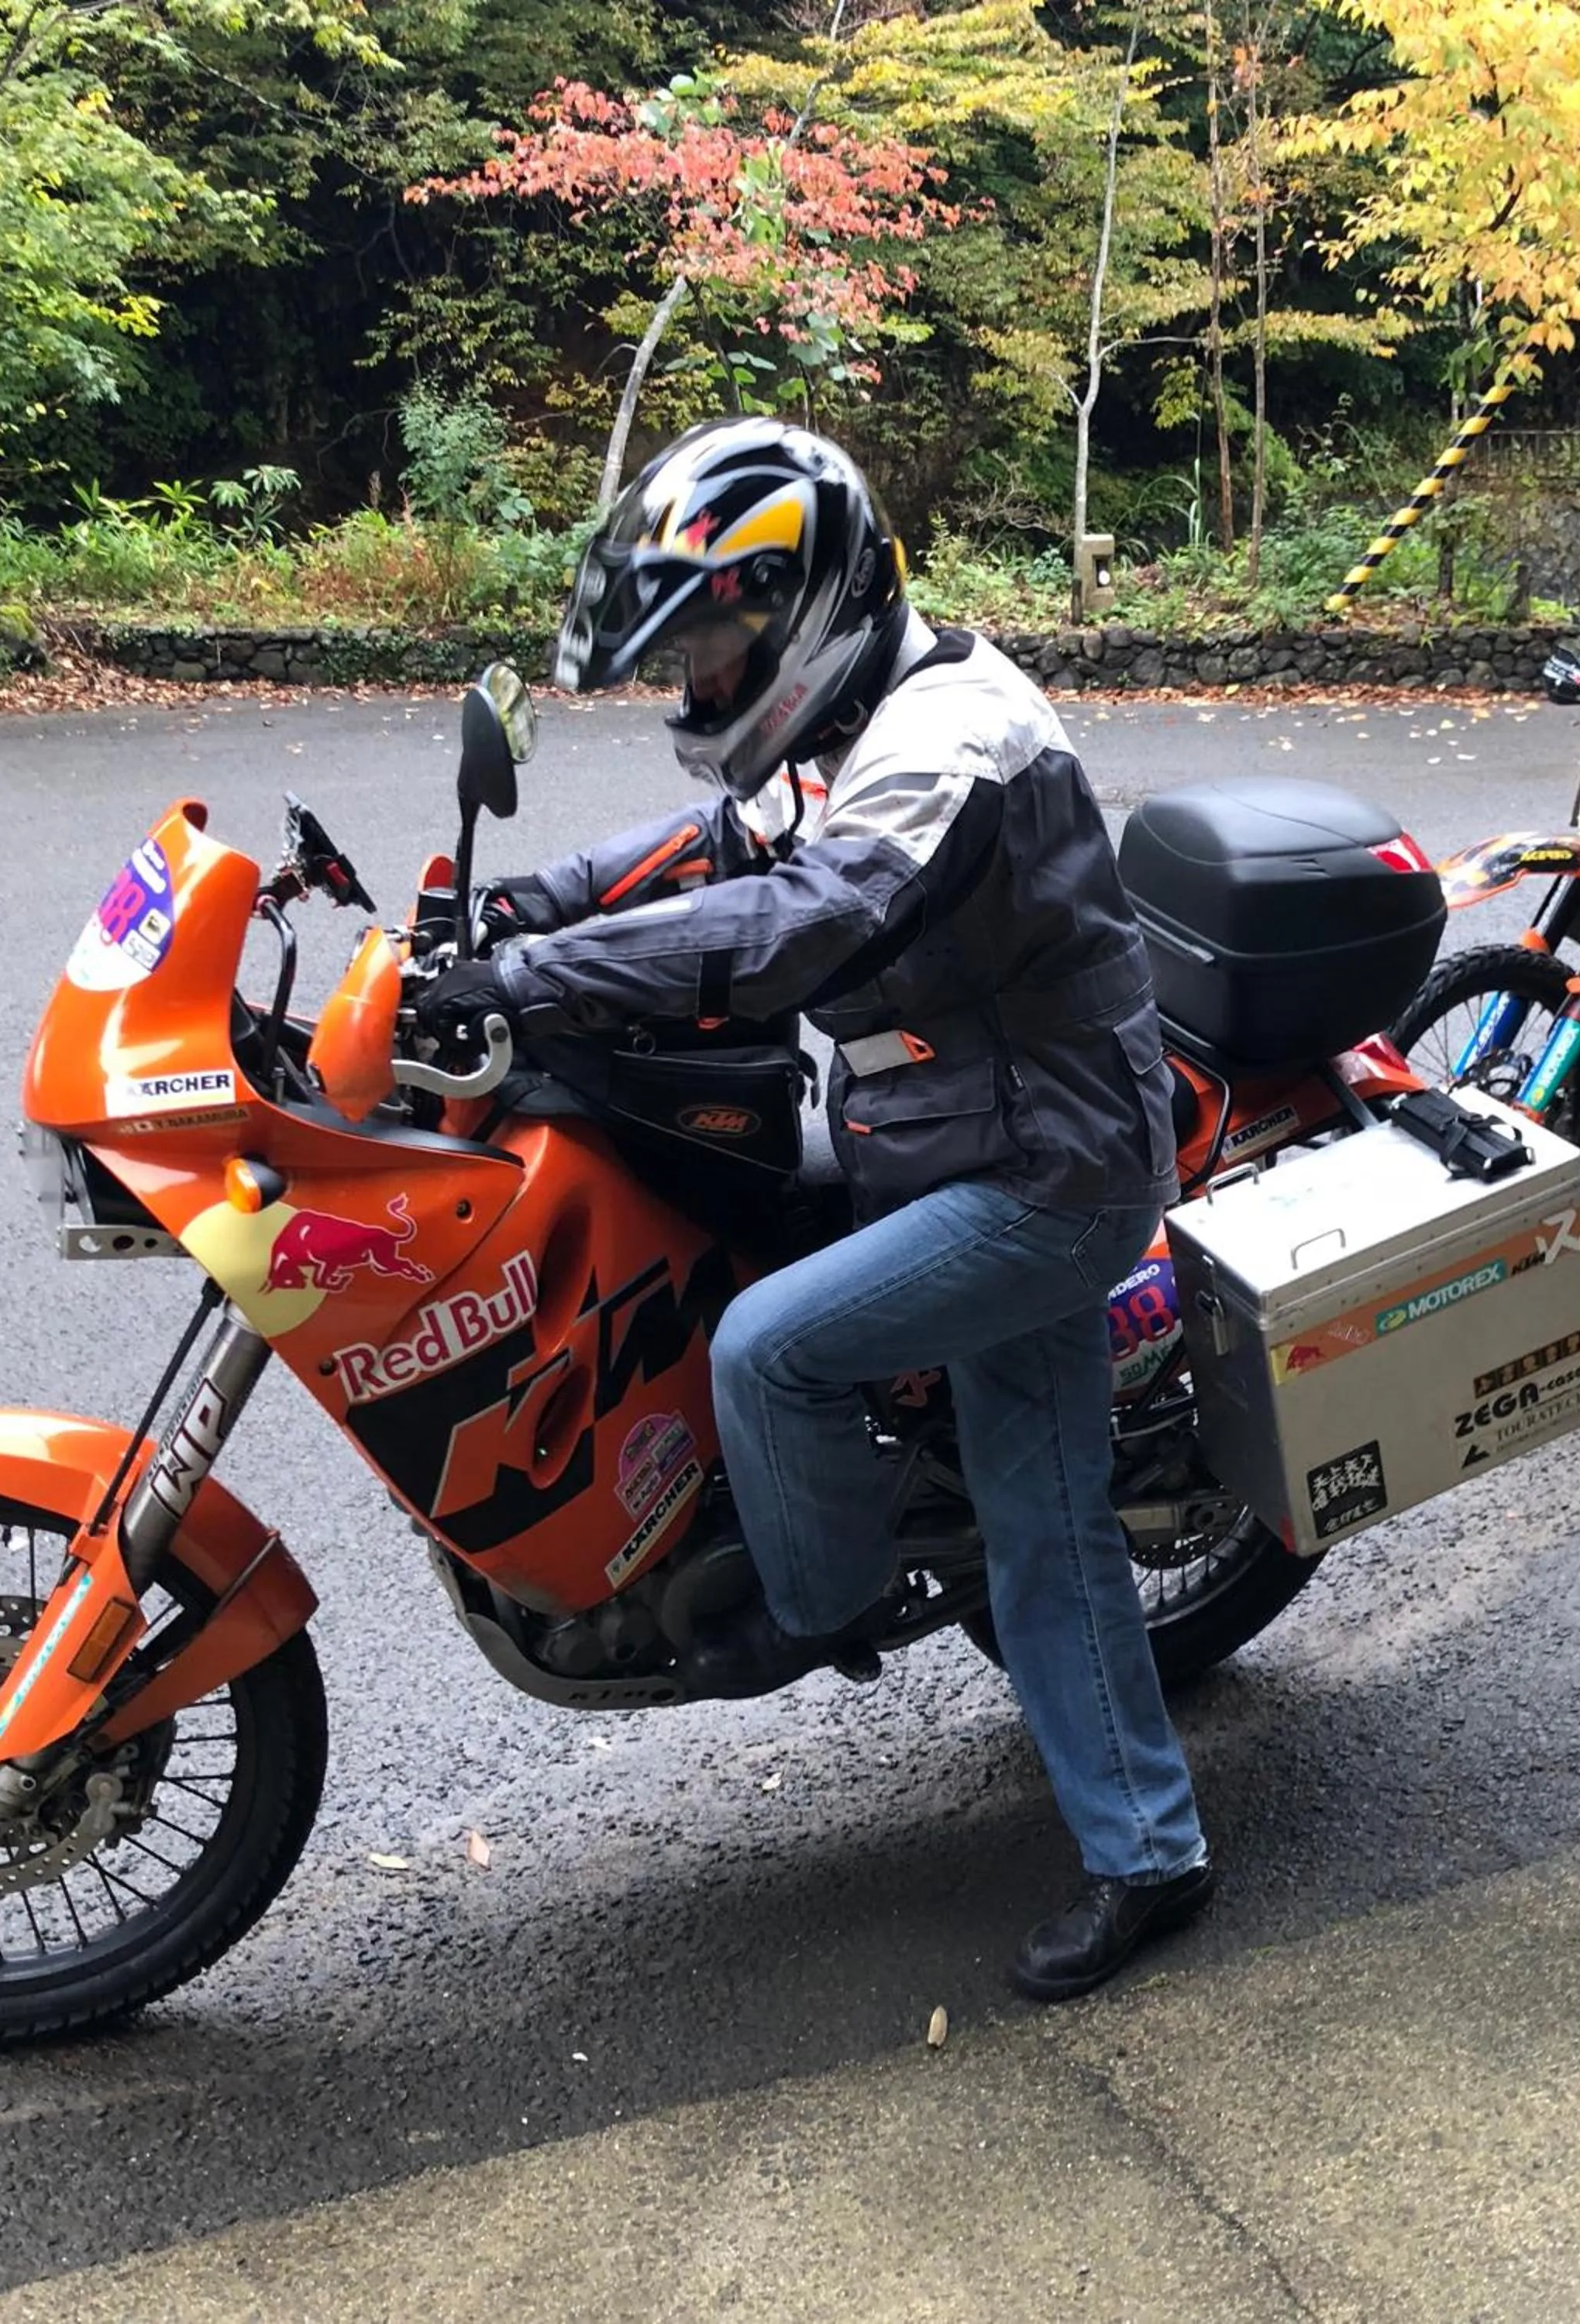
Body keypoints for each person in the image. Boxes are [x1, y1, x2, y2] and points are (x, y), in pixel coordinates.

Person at [415, 418, 1213, 2002]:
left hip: (1049, 1169)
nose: (697, 682)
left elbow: (803, 918)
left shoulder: (952, 733)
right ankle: (1150, 1839)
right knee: (1037, 1513)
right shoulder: (844, 726)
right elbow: (716, 843)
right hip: (940, 1131)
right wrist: (524, 906)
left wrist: (531, 979)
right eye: (685, 657)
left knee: (774, 1353)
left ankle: (818, 1606)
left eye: (712, 648)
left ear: (811, 612)